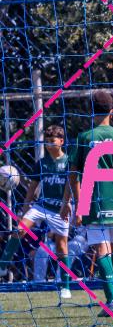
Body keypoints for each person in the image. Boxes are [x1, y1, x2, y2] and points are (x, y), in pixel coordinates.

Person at [61, 91, 113, 316]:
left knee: (102, 250)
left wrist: (71, 202)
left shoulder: (84, 138)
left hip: (95, 200)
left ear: (91, 111)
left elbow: (73, 175)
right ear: (112, 110)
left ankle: (112, 302)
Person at [0, 125, 74, 299]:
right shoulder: (42, 163)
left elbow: (72, 185)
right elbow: (33, 187)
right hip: (41, 206)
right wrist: (26, 207)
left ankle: (65, 286)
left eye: (52, 141)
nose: (49, 144)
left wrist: (68, 204)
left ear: (61, 141)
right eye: (46, 141)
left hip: (59, 210)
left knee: (62, 246)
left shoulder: (69, 162)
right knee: (19, 230)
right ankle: (3, 266)